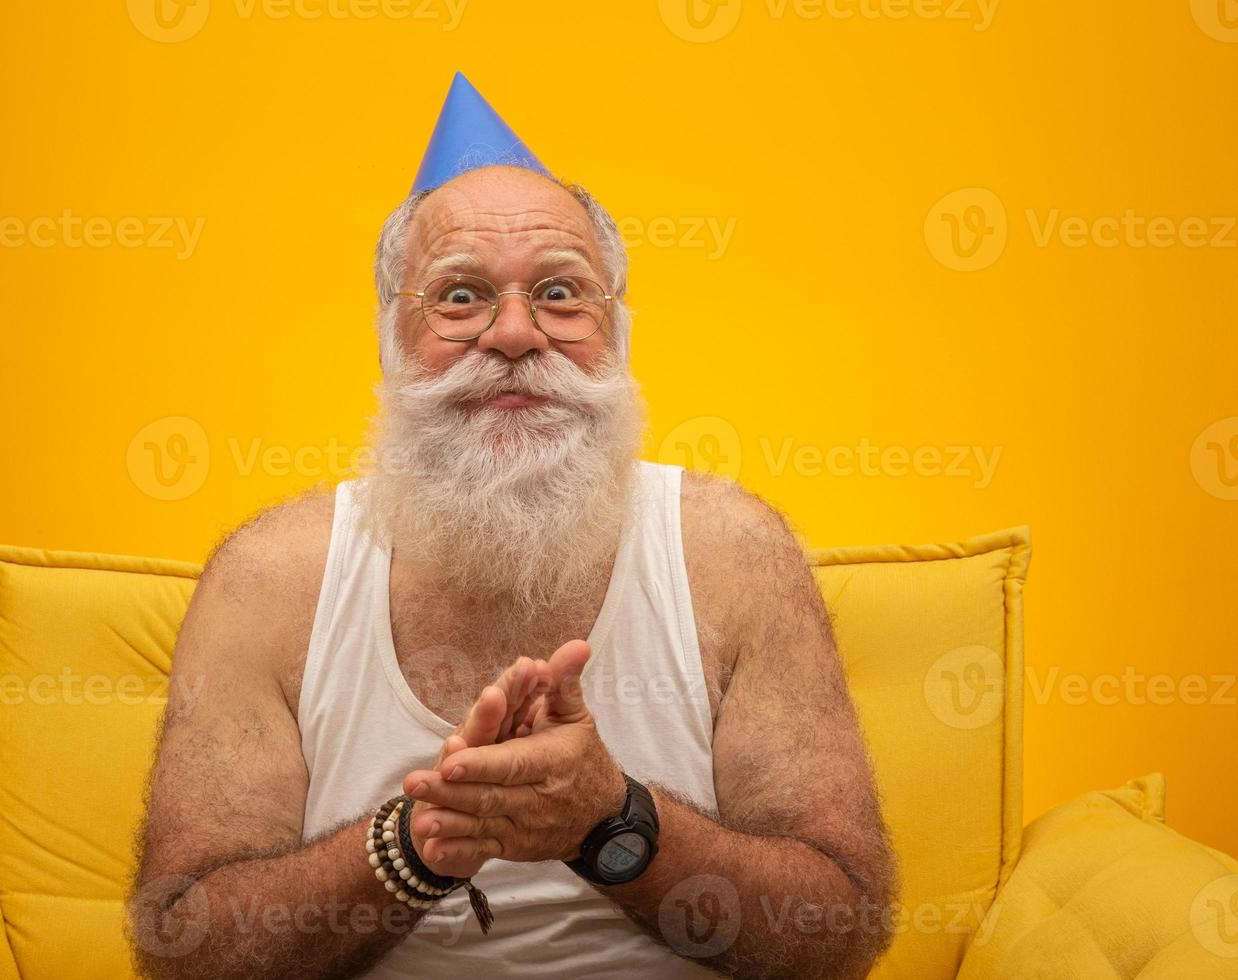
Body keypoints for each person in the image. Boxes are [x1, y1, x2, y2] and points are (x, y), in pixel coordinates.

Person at [131, 73, 895, 979]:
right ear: (390, 341)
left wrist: (613, 821)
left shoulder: (733, 553)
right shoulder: (268, 579)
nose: (516, 334)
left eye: (562, 294)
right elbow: (184, 948)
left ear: (617, 334)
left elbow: (841, 930)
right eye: (459, 297)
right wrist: (414, 847)